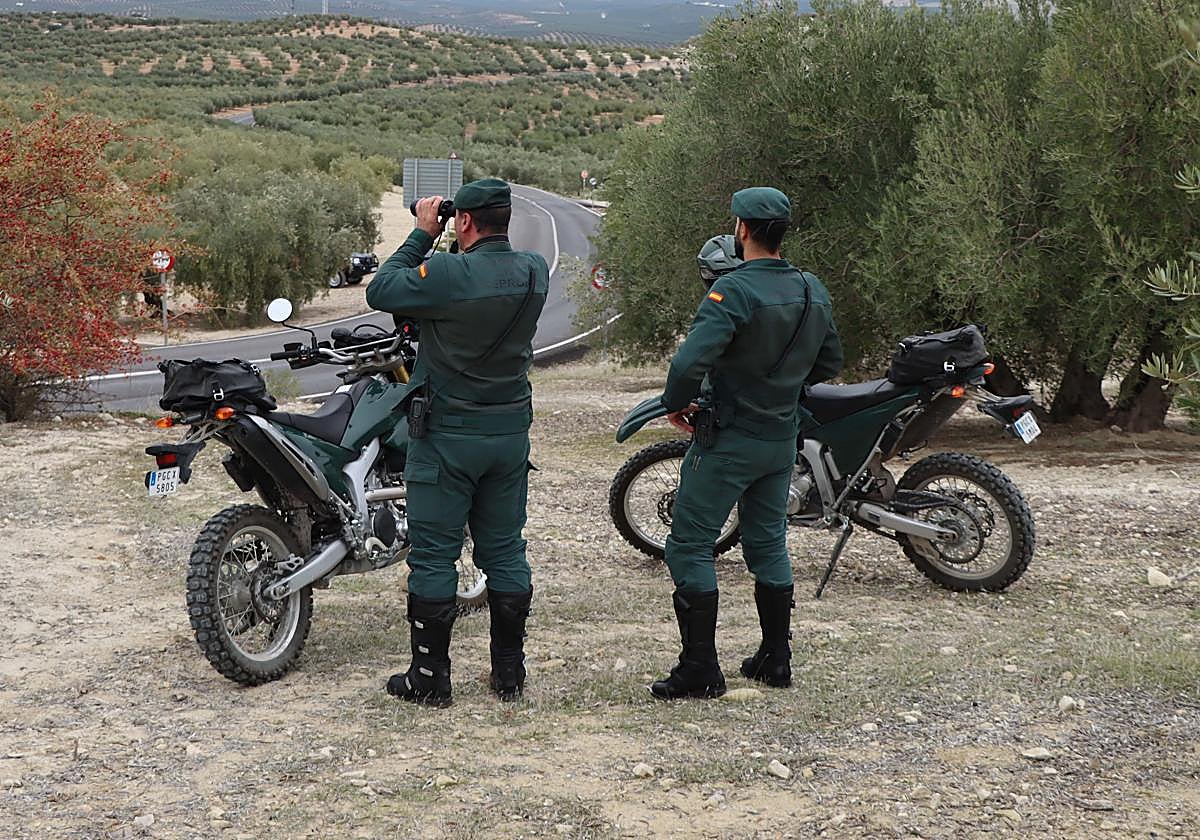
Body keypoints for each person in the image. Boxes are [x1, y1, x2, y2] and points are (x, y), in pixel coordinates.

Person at [649, 187, 843, 701]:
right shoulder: (810, 288)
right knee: (768, 544)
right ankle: (775, 659)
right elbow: (828, 364)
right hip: (781, 441)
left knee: (689, 545)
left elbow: (689, 363)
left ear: (741, 229)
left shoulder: (731, 291)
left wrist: (676, 402)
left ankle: (700, 669)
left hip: (728, 439)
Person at [365, 178, 549, 707]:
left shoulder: (445, 273)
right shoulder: (534, 271)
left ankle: (430, 678)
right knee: (505, 549)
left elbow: (383, 290)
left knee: (433, 556)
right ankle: (508, 675)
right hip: (509, 434)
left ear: (463, 221)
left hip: (447, 437)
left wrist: (423, 232)